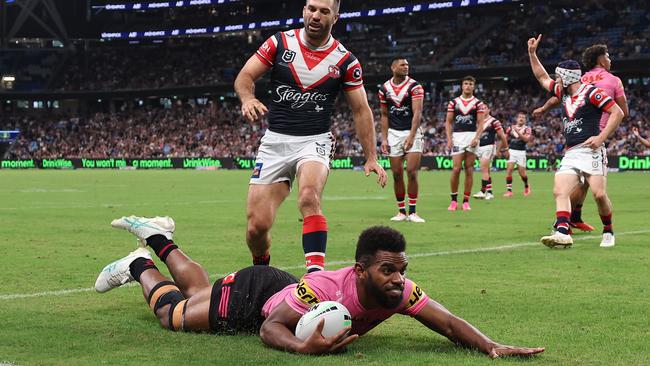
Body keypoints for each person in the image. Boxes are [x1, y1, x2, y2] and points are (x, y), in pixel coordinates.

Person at [96, 215, 545, 358]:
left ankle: (157, 234)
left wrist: (490, 347)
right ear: (362, 269)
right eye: (388, 270)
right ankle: (139, 264)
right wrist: (300, 349)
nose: (398, 279)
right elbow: (271, 326)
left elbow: (446, 322)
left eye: (401, 269)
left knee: (199, 295)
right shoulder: (326, 290)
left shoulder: (399, 291)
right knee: (174, 315)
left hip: (280, 293)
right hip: (258, 297)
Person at [234, 0, 387, 272]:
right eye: (311, 8)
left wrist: (371, 157)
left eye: (324, 11)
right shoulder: (279, 43)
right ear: (304, 10)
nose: (316, 15)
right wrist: (247, 98)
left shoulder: (345, 61)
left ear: (335, 17)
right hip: (275, 141)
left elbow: (362, 110)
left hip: (314, 140)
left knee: (308, 197)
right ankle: (261, 270)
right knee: (256, 227)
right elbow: (245, 75)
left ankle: (316, 277)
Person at [528, 35, 624, 248]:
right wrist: (532, 54)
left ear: (567, 77)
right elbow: (542, 77)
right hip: (572, 152)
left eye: (559, 77)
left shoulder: (592, 93)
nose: (556, 80)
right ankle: (563, 231)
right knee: (559, 190)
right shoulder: (562, 93)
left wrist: (601, 138)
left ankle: (608, 230)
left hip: (592, 150)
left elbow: (617, 112)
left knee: (599, 195)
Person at [378, 58, 425, 222]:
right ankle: (401, 211)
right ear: (393, 67)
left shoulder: (415, 86)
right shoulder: (384, 88)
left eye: (407, 65)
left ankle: (413, 211)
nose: (406, 67)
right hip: (393, 134)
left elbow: (417, 113)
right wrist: (384, 139)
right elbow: (384, 115)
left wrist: (412, 136)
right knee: (397, 174)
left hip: (412, 132)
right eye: (402, 65)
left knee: (412, 172)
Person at [445, 76, 486, 211]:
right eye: (465, 84)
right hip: (457, 137)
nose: (468, 86)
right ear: (462, 86)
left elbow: (481, 123)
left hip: (471, 136)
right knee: (456, 169)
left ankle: (466, 201)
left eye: (470, 84)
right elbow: (448, 122)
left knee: (469, 169)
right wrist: (449, 139)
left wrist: (477, 137)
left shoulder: (477, 103)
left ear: (473, 87)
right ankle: (453, 200)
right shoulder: (454, 102)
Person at [473, 112, 509, 200]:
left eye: (485, 108)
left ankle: (482, 191)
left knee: (484, 169)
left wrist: (505, 148)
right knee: (486, 170)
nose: (483, 110)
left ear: (488, 110)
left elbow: (502, 135)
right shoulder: (479, 121)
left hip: (489, 146)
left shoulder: (493, 121)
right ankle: (489, 192)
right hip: (479, 147)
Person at [503, 112, 533, 197]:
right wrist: (504, 149)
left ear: (525, 120)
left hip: (521, 152)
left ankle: (527, 186)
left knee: (522, 174)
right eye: (520, 117)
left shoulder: (527, 129)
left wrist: (518, 132)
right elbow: (505, 138)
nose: (521, 119)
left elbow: (526, 140)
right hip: (511, 151)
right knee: (509, 170)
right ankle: (509, 191)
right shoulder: (510, 128)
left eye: (523, 118)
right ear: (517, 118)